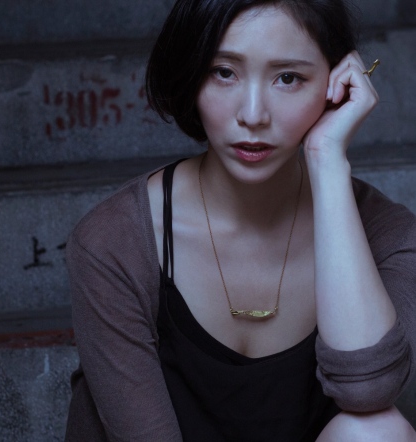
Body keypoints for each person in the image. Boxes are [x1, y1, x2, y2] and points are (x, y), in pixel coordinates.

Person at [64, 0, 416, 440]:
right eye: (223, 72)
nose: (252, 115)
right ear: (191, 73)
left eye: (288, 78)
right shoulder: (114, 243)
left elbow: (368, 390)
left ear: (337, 85)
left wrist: (327, 160)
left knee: (378, 431)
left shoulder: (386, 232)